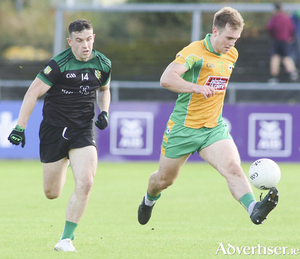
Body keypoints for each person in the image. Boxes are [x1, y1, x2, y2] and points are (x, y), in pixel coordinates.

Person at [138, 7, 279, 227]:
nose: (233, 43)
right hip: (183, 128)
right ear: (215, 31)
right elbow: (166, 79)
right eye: (229, 37)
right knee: (164, 180)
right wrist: (195, 87)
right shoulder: (194, 51)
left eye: (236, 39)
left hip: (213, 128)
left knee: (233, 167)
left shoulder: (231, 53)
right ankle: (148, 199)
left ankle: (254, 209)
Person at [7, 19, 111, 252]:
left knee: (86, 182)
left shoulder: (103, 63)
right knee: (51, 193)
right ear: (70, 41)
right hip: (54, 131)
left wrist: (104, 111)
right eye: (79, 40)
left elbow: (105, 89)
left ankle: (66, 239)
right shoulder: (58, 65)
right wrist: (19, 127)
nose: (85, 45)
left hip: (82, 130)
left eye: (89, 39)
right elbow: (32, 93)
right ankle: (65, 160)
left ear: (93, 37)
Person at [266, 2, 298, 83]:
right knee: (286, 57)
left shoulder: (275, 18)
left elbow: (269, 28)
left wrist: (273, 35)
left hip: (277, 41)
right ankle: (293, 73)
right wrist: (290, 37)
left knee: (275, 57)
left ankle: (273, 76)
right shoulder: (286, 18)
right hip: (286, 41)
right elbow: (292, 29)